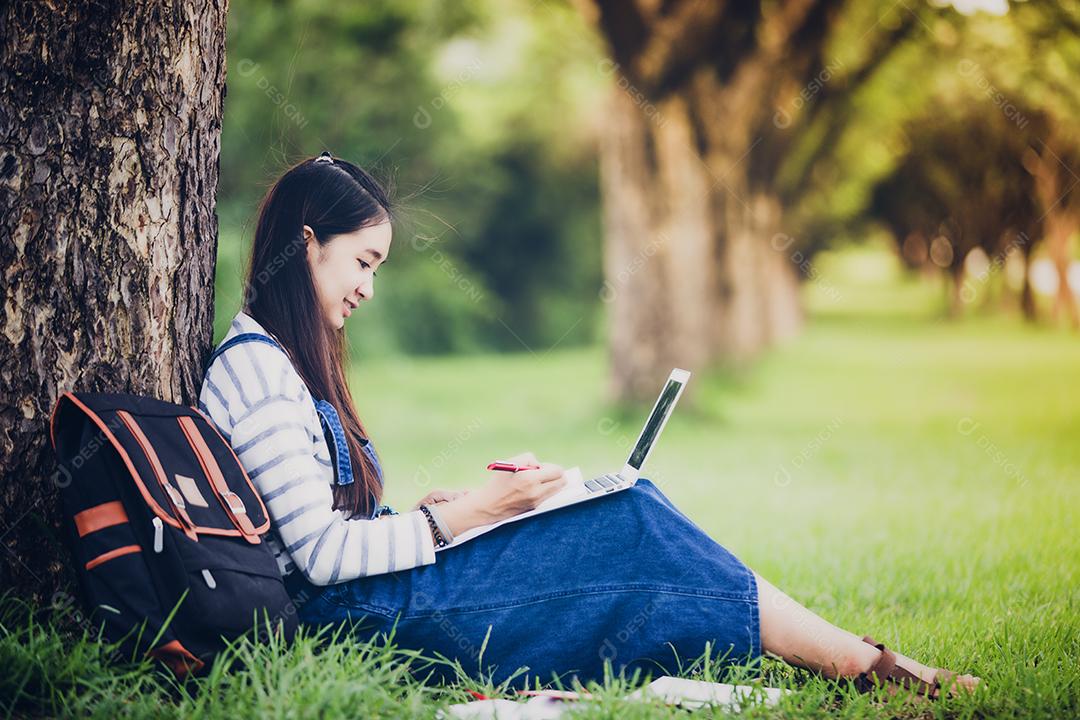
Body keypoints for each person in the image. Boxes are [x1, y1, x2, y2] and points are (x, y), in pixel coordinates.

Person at [199, 152, 981, 696]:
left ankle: (843, 657)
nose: (370, 287)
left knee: (632, 504)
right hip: (357, 624)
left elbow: (331, 529)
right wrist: (472, 514)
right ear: (307, 244)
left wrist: (430, 516)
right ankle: (864, 665)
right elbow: (322, 560)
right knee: (629, 520)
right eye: (364, 261)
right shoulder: (260, 371)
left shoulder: (287, 361)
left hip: (380, 601)